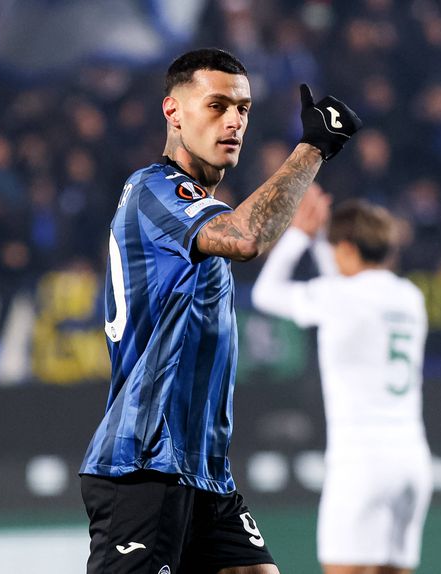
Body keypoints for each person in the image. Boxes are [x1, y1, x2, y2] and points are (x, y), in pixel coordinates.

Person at [79, 48, 361, 574]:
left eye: (243, 109)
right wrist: (313, 148)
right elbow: (246, 237)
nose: (234, 121)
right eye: (217, 106)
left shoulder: (195, 205)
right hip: (145, 463)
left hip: (204, 471)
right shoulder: (155, 190)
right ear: (173, 111)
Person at [252, 187, 432, 574]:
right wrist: (323, 237)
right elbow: (344, 278)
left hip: (361, 460)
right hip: (412, 460)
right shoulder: (410, 297)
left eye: (336, 249)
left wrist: (301, 234)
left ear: (348, 249)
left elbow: (266, 294)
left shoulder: (339, 297)